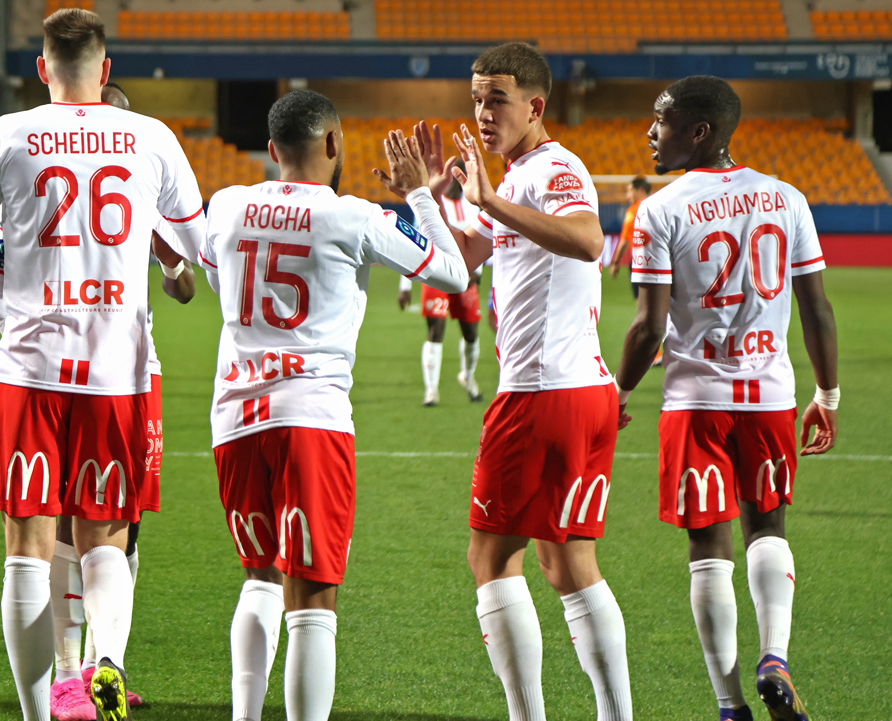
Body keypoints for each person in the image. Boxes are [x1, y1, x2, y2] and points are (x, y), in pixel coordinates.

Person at [0, 10, 206, 721]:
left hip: (29, 367)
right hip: (118, 368)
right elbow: (198, 248)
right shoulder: (151, 137)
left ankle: (42, 707)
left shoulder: (6, 134)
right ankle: (106, 660)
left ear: (41, 67)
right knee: (105, 535)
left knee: (27, 545)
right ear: (107, 69)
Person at [384, 43, 632, 720]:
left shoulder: (553, 167)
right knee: (566, 563)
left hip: (540, 393)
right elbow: (457, 270)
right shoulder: (519, 176)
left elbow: (587, 239)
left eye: (496, 98)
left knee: (491, 559)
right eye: (475, 97)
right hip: (578, 389)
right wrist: (423, 197)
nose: (483, 112)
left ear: (535, 106)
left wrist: (489, 199)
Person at [205, 89, 471, 721]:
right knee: (312, 596)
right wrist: (420, 195)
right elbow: (454, 274)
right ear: (332, 143)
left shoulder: (227, 205)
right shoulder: (354, 216)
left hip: (234, 416)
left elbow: (215, 279)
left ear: (271, 151)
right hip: (312, 415)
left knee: (260, 577)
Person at [615, 76, 838, 721]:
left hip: (694, 399)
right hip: (768, 395)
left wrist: (618, 390)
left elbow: (648, 327)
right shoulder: (786, 197)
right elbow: (817, 309)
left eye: (662, 121)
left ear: (699, 131)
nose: (650, 133)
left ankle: (729, 703)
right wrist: (827, 393)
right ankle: (775, 653)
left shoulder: (660, 209)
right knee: (766, 525)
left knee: (707, 547)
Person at [397, 157, 485, 404]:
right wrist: (405, 286)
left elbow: (485, 240)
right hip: (435, 275)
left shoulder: (473, 207)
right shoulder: (432, 206)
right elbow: (411, 241)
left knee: (470, 332)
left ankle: (467, 376)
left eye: (465, 174)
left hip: (466, 278)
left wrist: (477, 273)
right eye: (457, 174)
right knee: (435, 330)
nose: (460, 179)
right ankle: (431, 390)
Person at [606, 176, 651, 297]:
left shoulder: (633, 211)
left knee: (642, 304)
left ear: (640, 190)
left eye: (630, 191)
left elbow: (625, 240)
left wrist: (615, 262)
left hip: (640, 261)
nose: (627, 196)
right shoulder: (659, 206)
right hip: (660, 261)